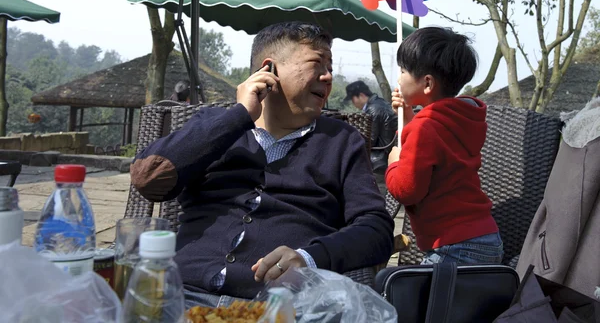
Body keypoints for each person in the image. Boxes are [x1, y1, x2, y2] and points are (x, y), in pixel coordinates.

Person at [130, 22, 394, 308]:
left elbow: (376, 230)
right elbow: (149, 178)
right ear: (269, 70)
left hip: (279, 306)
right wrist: (239, 115)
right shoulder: (213, 127)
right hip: (181, 295)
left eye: (329, 67)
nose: (329, 76)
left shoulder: (342, 140)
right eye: (317, 63)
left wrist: (309, 258)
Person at [386, 26, 503, 265]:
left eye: (404, 71)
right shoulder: (463, 118)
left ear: (427, 83)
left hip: (452, 247)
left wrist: (393, 164)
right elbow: (434, 148)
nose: (398, 78)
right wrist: (408, 118)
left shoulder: (425, 128)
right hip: (485, 238)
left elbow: (407, 190)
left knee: (416, 300)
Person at [344, 80, 397, 195]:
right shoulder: (380, 104)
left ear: (361, 95)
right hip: (385, 156)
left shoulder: (374, 109)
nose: (353, 104)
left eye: (353, 100)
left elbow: (369, 140)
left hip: (379, 161)